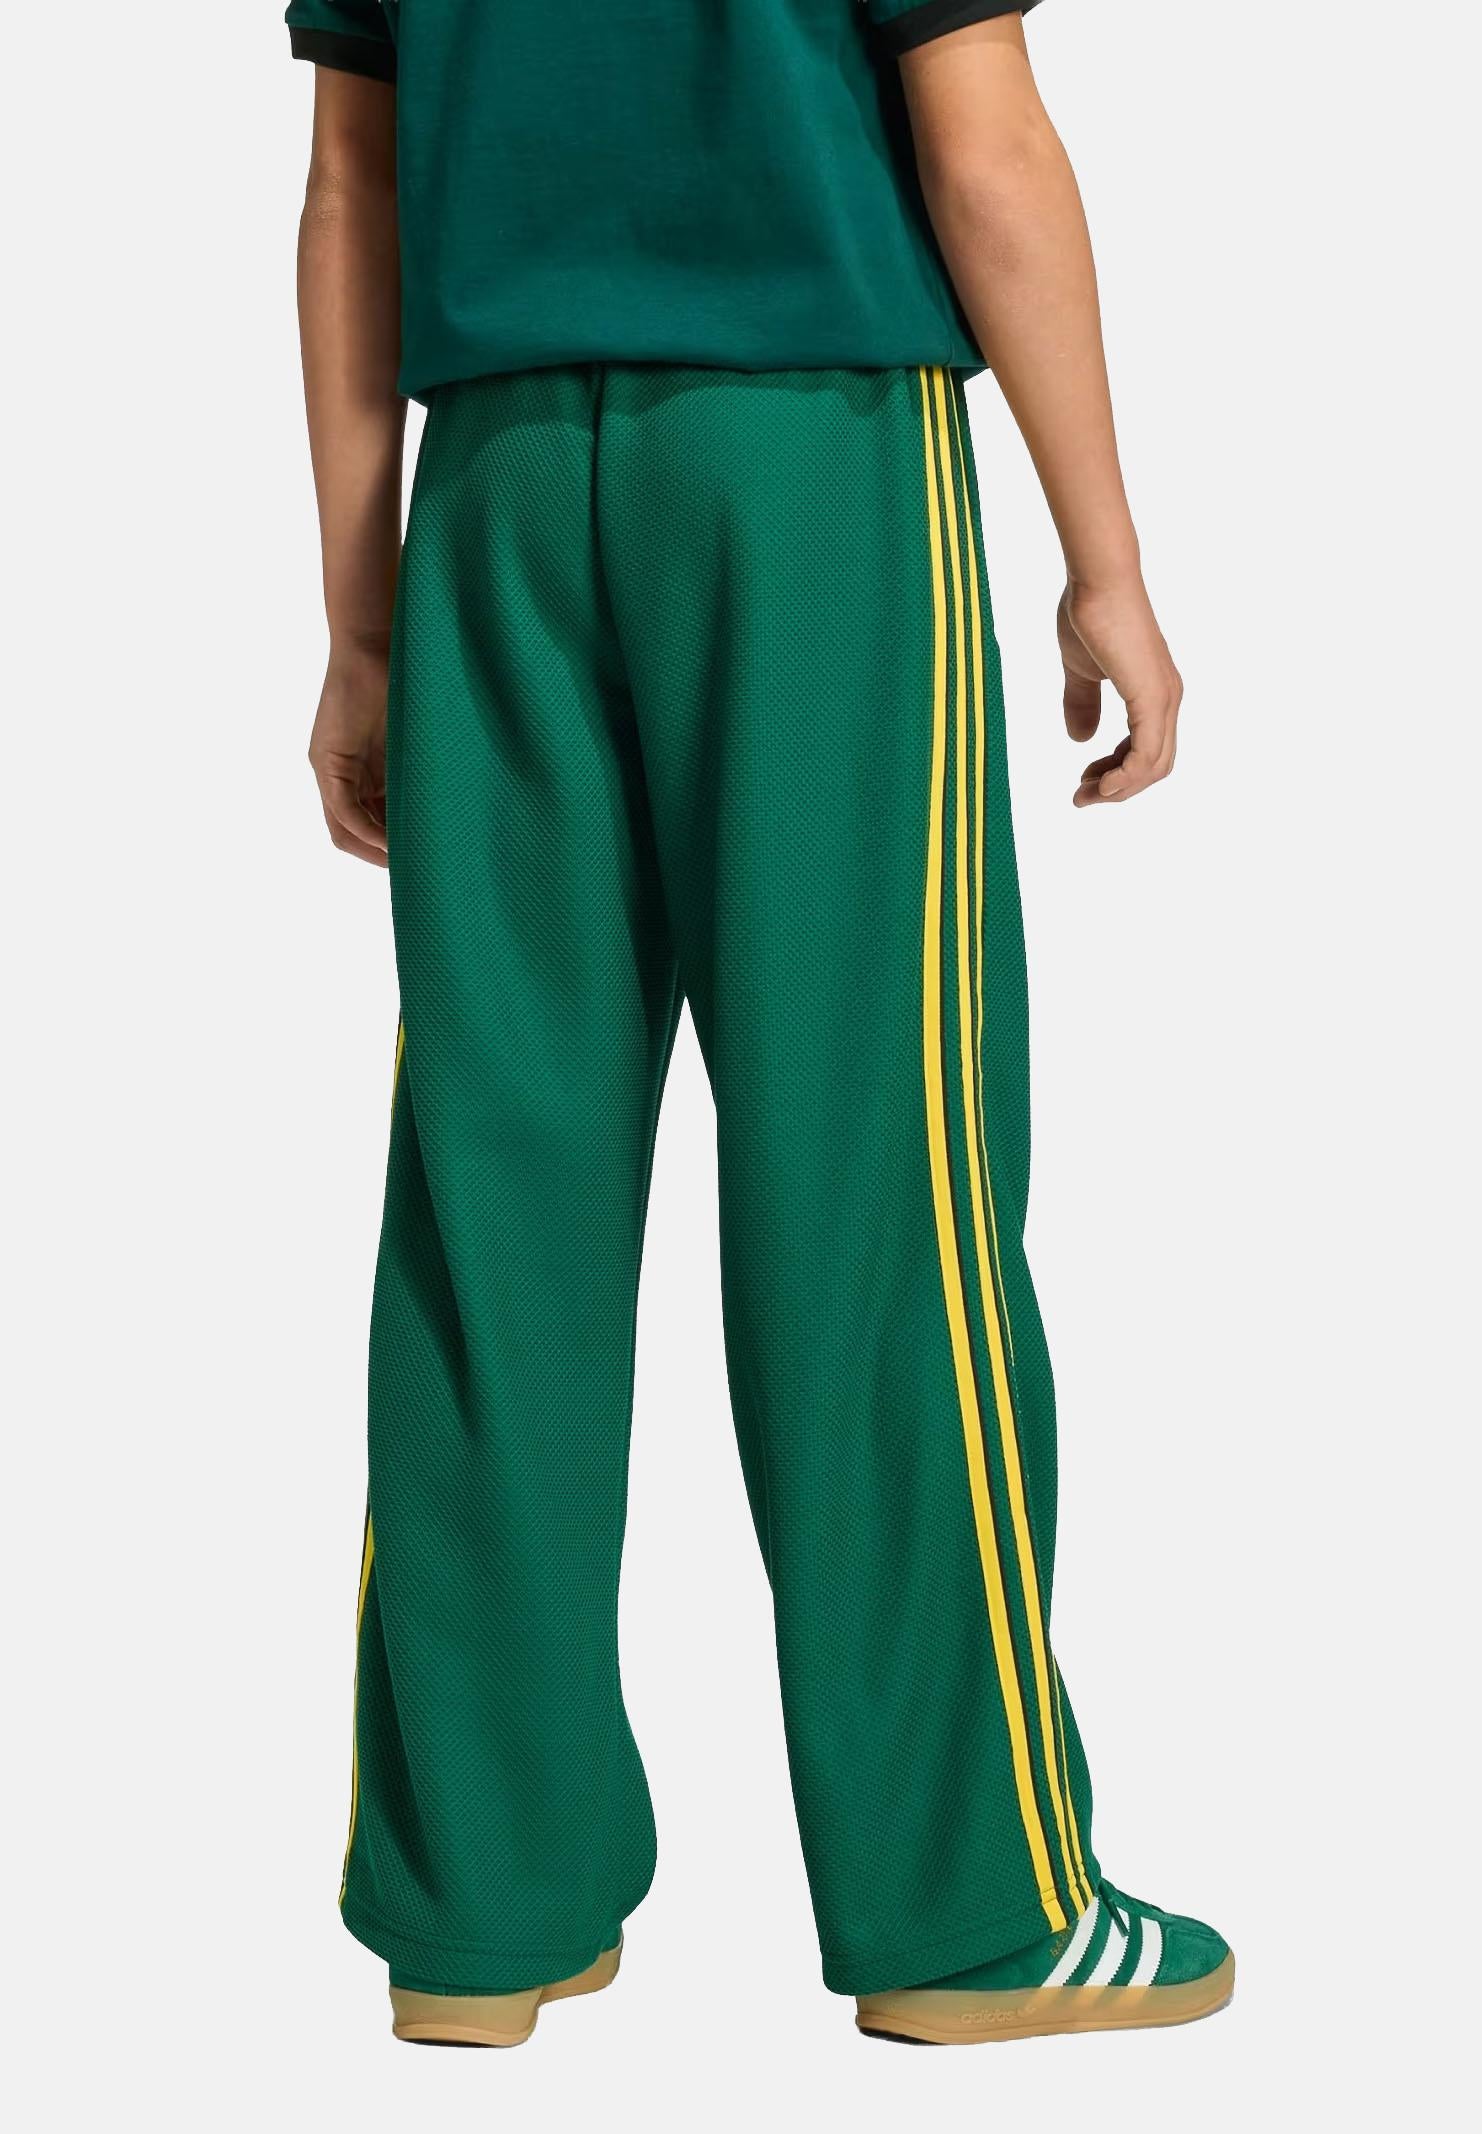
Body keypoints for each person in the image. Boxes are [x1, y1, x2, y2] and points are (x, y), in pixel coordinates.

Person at [289, 0, 1232, 2049]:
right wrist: (1108, 561)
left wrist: (360, 618)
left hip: (495, 493)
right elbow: (982, 146)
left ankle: (476, 1901)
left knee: (491, 1214)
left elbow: (351, 182)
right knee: (878, 1194)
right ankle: (971, 1900)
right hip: (809, 469)